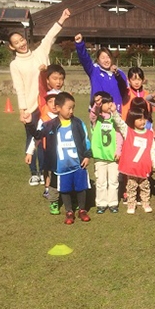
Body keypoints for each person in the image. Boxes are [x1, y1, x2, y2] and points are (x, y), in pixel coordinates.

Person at [25, 91, 92, 225]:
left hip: (78, 163)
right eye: (69, 108)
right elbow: (38, 135)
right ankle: (69, 211)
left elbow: (86, 139)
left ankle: (82, 210)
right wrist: (29, 124)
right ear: (58, 108)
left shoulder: (78, 123)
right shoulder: (50, 124)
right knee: (65, 189)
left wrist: (87, 155)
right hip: (61, 165)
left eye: (73, 108)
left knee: (81, 187)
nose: (71, 111)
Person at [9, 8, 71, 124]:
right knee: (33, 141)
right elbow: (20, 89)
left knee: (53, 140)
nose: (21, 44)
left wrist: (62, 19)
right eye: (16, 43)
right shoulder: (15, 64)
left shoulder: (40, 53)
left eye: (21, 40)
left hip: (51, 106)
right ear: (12, 47)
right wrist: (22, 110)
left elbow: (49, 37)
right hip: (32, 109)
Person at [89, 92, 126, 214]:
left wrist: (118, 151)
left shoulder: (115, 118)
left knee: (114, 181)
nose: (109, 105)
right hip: (100, 156)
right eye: (105, 103)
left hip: (113, 157)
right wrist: (96, 105)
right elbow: (93, 115)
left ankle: (113, 203)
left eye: (110, 102)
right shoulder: (96, 118)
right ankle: (101, 203)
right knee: (100, 181)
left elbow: (120, 136)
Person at [25, 89, 60, 213]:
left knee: (59, 172)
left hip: (62, 153)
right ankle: (47, 188)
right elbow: (37, 137)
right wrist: (30, 152)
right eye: (50, 101)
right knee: (47, 170)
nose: (54, 104)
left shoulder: (65, 117)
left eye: (56, 101)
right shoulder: (44, 119)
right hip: (47, 151)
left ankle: (62, 190)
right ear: (46, 104)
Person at [75, 33, 128, 112]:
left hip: (115, 112)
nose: (106, 60)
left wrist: (117, 75)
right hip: (98, 112)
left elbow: (125, 90)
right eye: (103, 58)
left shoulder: (119, 73)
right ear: (98, 60)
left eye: (108, 57)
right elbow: (85, 59)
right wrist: (80, 44)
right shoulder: (94, 70)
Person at [119, 106, 155, 215]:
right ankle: (131, 204)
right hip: (132, 167)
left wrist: (154, 163)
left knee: (145, 186)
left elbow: (152, 149)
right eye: (139, 119)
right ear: (132, 120)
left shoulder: (149, 134)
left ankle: (145, 203)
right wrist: (113, 112)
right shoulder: (128, 132)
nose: (143, 121)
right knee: (131, 186)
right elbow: (120, 123)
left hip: (144, 166)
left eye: (144, 119)